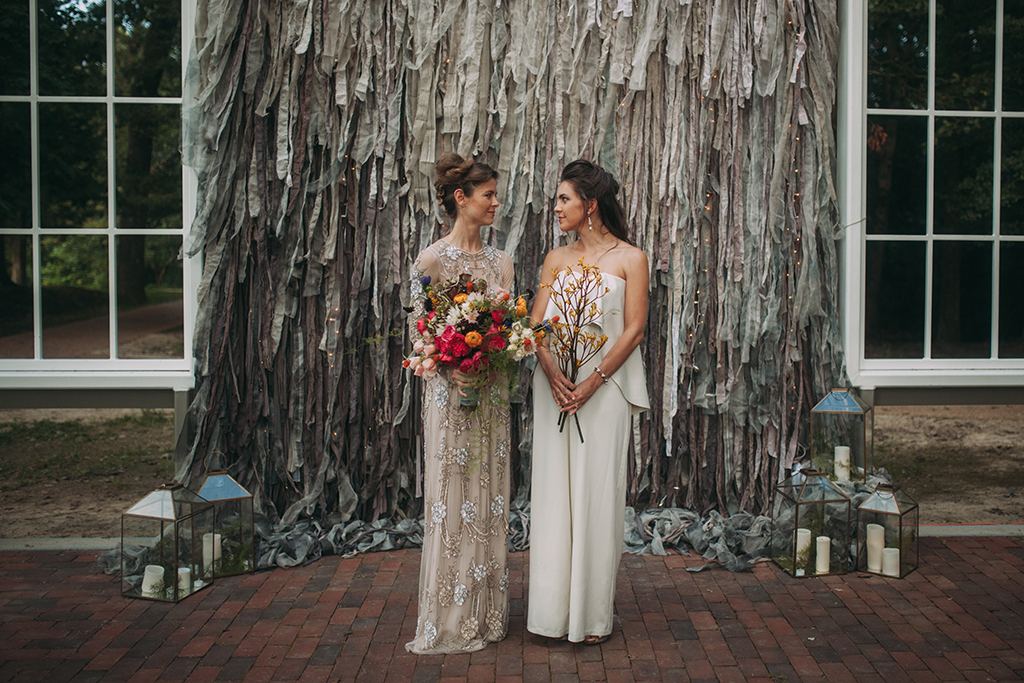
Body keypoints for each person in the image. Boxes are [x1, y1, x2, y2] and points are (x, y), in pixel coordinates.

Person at [527, 159, 650, 645]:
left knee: (596, 497)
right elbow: (536, 325)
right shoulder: (556, 260)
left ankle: (591, 616)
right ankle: (551, 614)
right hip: (555, 391)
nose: (555, 207)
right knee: (555, 495)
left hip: (603, 394)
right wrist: (554, 373)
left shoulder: (630, 259)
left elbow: (635, 329)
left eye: (564, 199)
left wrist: (593, 381)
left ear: (590, 205)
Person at [405, 153, 515, 654]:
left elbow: (508, 329)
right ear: (460, 198)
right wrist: (452, 361)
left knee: (489, 498)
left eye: (495, 194)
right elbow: (418, 334)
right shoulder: (430, 260)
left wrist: (494, 346)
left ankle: (484, 615)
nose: (496, 202)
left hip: (492, 395)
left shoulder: (501, 262)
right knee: (452, 499)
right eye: (488, 194)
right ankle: (446, 618)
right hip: (450, 397)